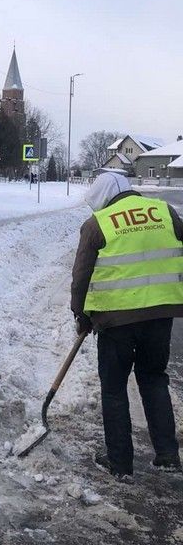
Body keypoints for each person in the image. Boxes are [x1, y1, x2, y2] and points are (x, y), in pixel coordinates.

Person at [71, 171, 183, 479]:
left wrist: (81, 315)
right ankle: (168, 454)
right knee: (154, 378)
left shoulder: (98, 224)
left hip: (115, 319)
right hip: (160, 314)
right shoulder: (164, 212)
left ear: (103, 200)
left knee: (115, 388)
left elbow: (81, 277)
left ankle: (120, 464)